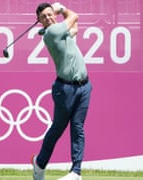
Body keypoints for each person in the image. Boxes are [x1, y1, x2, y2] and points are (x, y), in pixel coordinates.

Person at [32, 2, 92, 180]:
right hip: (65, 89)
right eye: (44, 17)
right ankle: (40, 163)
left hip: (84, 86)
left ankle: (76, 172)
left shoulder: (58, 30)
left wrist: (62, 14)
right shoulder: (51, 32)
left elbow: (75, 27)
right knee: (58, 128)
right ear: (40, 21)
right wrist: (62, 9)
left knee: (78, 127)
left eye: (50, 14)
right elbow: (75, 17)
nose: (48, 18)